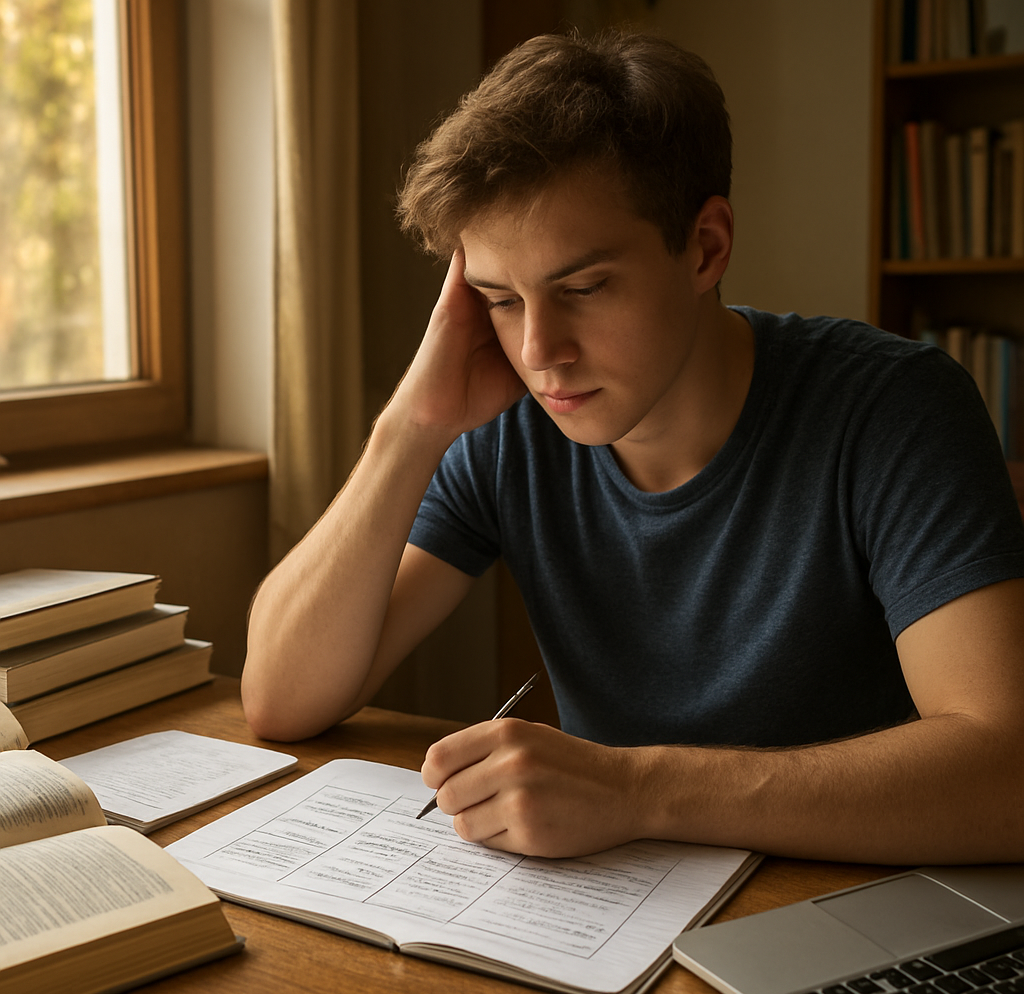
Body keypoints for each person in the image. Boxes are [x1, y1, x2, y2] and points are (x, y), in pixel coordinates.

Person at [242, 31, 1024, 865]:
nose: (540, 350)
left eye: (582, 288)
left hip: (850, 915)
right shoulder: (508, 427)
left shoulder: (893, 407)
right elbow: (281, 699)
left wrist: (635, 789)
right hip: (616, 919)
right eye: (499, 299)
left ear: (706, 247)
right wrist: (409, 429)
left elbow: (1005, 772)